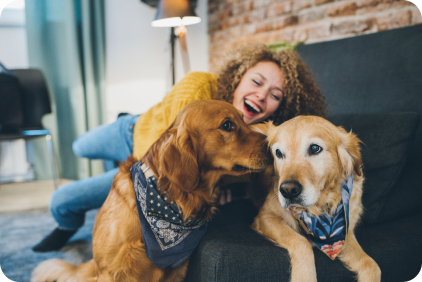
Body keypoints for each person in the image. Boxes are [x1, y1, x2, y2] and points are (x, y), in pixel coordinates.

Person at [32, 43, 326, 252]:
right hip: (139, 133)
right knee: (79, 145)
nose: (261, 96)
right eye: (256, 82)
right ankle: (121, 126)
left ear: (280, 106)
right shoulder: (198, 87)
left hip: (157, 165)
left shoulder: (262, 140)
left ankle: (65, 226)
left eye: (274, 95)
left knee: (64, 200)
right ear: (238, 77)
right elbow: (163, 156)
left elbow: (249, 178)